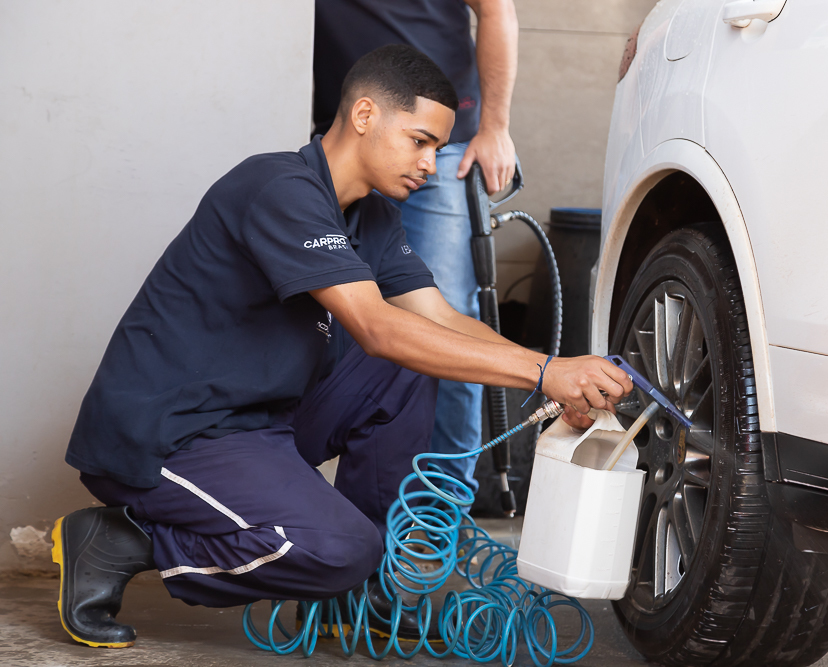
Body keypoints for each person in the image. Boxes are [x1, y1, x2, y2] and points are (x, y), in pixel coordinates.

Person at [54, 45, 631, 649]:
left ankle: (362, 594)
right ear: (363, 116)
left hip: (259, 422)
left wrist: (558, 374)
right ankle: (117, 542)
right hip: (169, 433)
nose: (431, 164)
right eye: (420, 141)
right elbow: (378, 329)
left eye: (437, 147)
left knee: (406, 372)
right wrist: (545, 372)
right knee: (340, 550)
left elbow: (437, 319)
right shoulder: (277, 187)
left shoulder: (373, 217)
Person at [313, 0, 518, 500]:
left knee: (437, 317)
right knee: (331, 322)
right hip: (336, 134)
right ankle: (336, 501)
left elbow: (497, 11)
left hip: (438, 142)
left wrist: (494, 127)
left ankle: (440, 510)